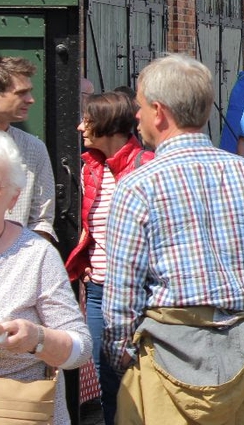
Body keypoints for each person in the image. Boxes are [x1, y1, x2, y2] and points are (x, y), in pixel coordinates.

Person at [103, 54, 244, 423]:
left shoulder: (137, 188)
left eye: (140, 106)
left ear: (159, 113)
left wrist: (128, 363)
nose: (136, 116)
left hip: (165, 363)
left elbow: (121, 303)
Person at [65, 92, 153, 425]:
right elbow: (89, 225)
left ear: (108, 124)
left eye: (87, 121)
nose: (80, 127)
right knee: (107, 379)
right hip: (99, 291)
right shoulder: (89, 168)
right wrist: (85, 258)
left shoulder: (145, 166)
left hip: (139, 292)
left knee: (141, 374)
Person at [0, 132, 92, 425]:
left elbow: (80, 349)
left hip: (19, 410)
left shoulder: (36, 255)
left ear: (13, 197)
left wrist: (37, 339)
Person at [0, 57, 56, 242]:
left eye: (29, 92)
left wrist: (28, 256)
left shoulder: (33, 148)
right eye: (21, 93)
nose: (31, 100)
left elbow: (41, 220)